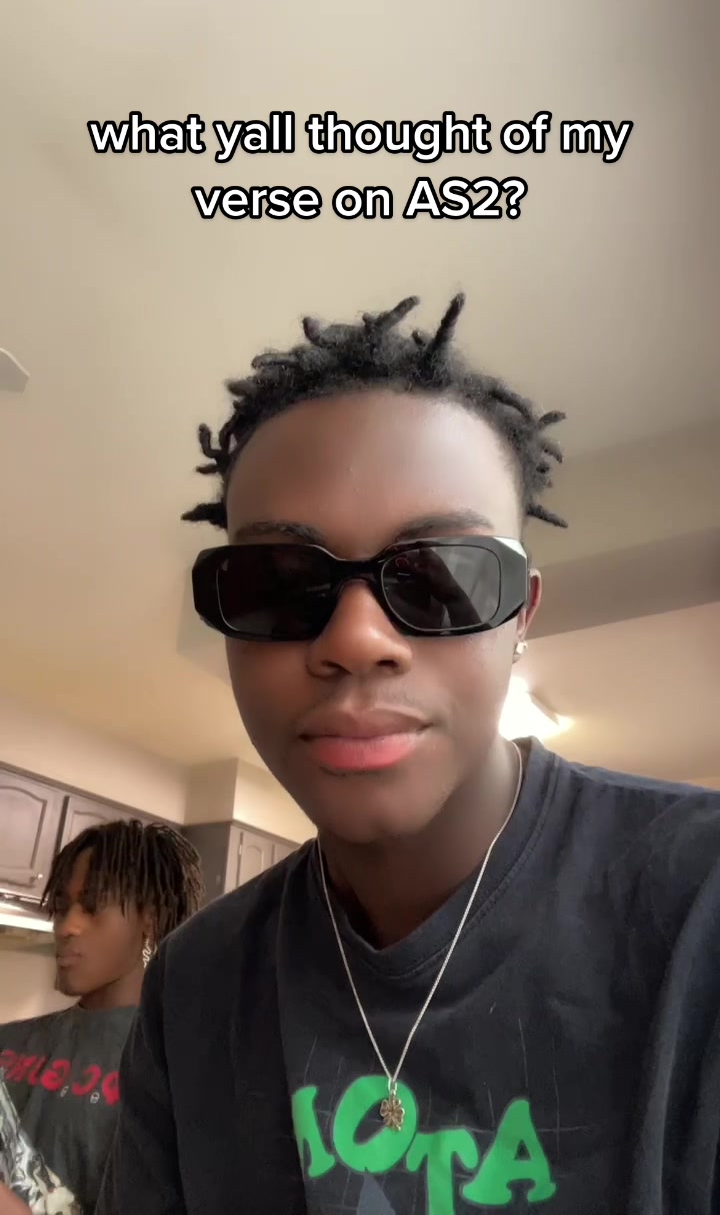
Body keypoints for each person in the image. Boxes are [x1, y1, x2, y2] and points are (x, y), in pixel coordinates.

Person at [99, 295, 720, 1214]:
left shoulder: (698, 902)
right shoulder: (194, 984)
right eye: (278, 583)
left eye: (439, 576)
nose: (357, 639)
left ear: (520, 617)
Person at [0, 820, 202, 1214]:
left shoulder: (177, 1073)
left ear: (151, 918)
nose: (67, 926)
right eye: (62, 907)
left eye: (92, 906)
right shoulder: (8, 1041)